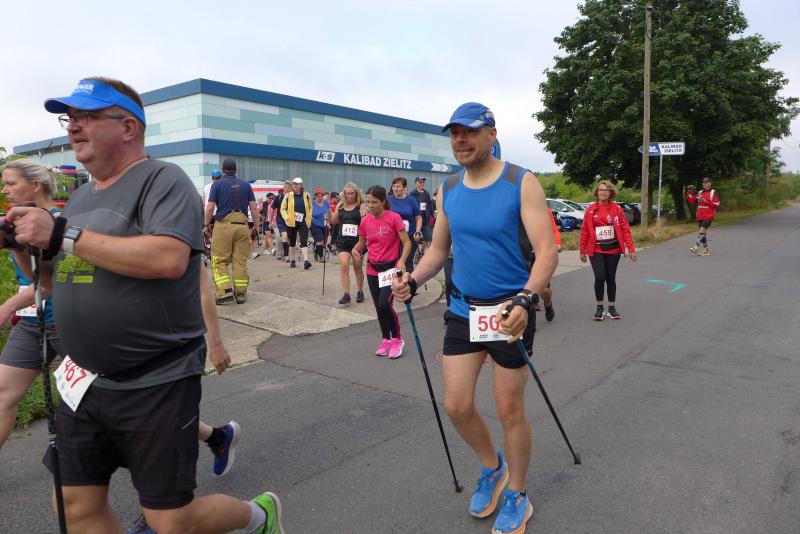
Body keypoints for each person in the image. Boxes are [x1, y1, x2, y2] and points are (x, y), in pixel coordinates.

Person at [7, 77, 282, 534]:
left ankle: (259, 517)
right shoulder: (81, 197)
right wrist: (22, 247)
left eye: (87, 117)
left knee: (170, 520)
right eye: (69, 118)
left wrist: (60, 234)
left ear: (128, 127)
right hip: (83, 380)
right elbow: (51, 283)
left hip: (156, 378)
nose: (73, 127)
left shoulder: (162, 180)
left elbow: (168, 259)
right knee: (73, 505)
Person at [393, 102, 557, 534]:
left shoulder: (520, 181)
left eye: (468, 132)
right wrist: (414, 279)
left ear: (491, 134)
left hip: (509, 311)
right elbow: (438, 250)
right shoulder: (449, 188)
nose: (460, 140)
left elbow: (547, 252)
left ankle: (517, 492)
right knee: (457, 405)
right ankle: (492, 466)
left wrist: (526, 299)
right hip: (463, 310)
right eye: (454, 133)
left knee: (508, 409)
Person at [0, 160, 66, 449]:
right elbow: (31, 278)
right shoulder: (17, 224)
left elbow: (50, 282)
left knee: (111, 400)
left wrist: (7, 306)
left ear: (35, 185)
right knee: (3, 393)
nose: (5, 190)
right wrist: (14, 245)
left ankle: (199, 433)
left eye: (11, 183)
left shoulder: (60, 224)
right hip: (31, 323)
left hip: (68, 324)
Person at [352, 185, 411, 359]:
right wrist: (355, 250)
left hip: (390, 269)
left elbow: (407, 243)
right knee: (378, 306)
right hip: (372, 268)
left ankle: (397, 339)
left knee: (385, 304)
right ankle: (386, 339)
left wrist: (402, 260)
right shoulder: (365, 221)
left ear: (383, 201)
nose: (370, 206)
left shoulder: (394, 218)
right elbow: (362, 242)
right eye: (368, 202)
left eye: (374, 202)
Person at [205, 158, 260, 305]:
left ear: (223, 170)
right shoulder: (246, 185)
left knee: (219, 260)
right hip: (242, 226)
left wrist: (205, 225)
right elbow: (254, 208)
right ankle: (240, 294)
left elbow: (210, 208)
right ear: (236, 170)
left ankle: (225, 292)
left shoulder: (217, 185)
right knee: (240, 260)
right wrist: (256, 226)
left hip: (224, 226)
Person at [579, 180, 637, 320]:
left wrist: (631, 249)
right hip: (596, 249)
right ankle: (599, 308)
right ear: (597, 192)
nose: (603, 192)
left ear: (610, 192)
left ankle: (611, 308)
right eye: (600, 190)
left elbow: (625, 229)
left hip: (613, 249)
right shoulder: (590, 209)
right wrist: (582, 251)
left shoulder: (617, 209)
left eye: (606, 190)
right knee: (600, 277)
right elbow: (585, 231)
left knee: (611, 278)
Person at [330, 182, 366, 305]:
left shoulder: (361, 205)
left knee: (357, 267)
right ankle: (346, 295)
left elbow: (366, 222)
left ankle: (360, 291)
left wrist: (363, 216)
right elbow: (334, 221)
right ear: (344, 194)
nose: (350, 195)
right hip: (343, 241)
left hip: (357, 242)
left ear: (356, 193)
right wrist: (329, 216)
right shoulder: (340, 205)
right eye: (347, 193)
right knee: (344, 265)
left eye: (352, 193)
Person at [388, 176, 422, 273]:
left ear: (405, 188)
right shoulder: (388, 200)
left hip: (409, 236)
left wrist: (417, 232)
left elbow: (419, 217)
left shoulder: (411, 200)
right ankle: (395, 281)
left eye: (398, 186)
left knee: (407, 263)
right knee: (393, 262)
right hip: (393, 237)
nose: (395, 189)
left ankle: (408, 281)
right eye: (394, 186)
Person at [280, 177, 312, 270]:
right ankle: (293, 260)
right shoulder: (288, 195)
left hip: (303, 222)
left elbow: (310, 207)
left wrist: (309, 217)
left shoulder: (307, 195)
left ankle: (306, 261)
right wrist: (287, 217)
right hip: (291, 222)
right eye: (294, 184)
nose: (295, 185)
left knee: (303, 241)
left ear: (301, 185)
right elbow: (282, 209)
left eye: (297, 184)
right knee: (292, 242)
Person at [686, 177, 720, 256]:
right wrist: (689, 191)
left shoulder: (713, 192)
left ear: (710, 183)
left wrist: (705, 201)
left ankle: (696, 246)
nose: (704, 184)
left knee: (702, 230)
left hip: (708, 216)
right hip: (700, 216)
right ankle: (706, 250)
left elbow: (716, 205)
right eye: (703, 182)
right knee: (703, 233)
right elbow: (691, 200)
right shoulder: (700, 192)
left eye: (706, 182)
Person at [409, 176, 434, 258]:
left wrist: (432, 213)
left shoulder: (426, 193)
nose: (422, 184)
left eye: (423, 182)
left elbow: (429, 204)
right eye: (420, 182)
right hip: (416, 219)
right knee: (415, 238)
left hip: (425, 218)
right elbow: (410, 206)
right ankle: (414, 253)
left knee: (428, 237)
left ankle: (421, 251)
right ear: (416, 183)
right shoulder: (412, 194)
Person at [271, 180, 293, 261]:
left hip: (290, 220)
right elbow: (272, 209)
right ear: (283, 188)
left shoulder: (293, 197)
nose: (288, 189)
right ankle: (286, 256)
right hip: (280, 220)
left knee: (289, 239)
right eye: (286, 188)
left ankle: (285, 253)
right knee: (284, 236)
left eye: (289, 188)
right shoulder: (278, 197)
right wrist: (271, 221)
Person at [310, 187, 329, 262]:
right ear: (315, 196)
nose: (320, 198)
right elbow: (309, 214)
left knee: (323, 242)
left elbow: (329, 213)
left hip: (324, 224)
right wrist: (310, 218)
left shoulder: (326, 203)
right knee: (320, 240)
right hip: (315, 224)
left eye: (321, 196)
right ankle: (321, 257)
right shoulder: (312, 204)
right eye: (318, 196)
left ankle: (316, 251)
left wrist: (329, 222)